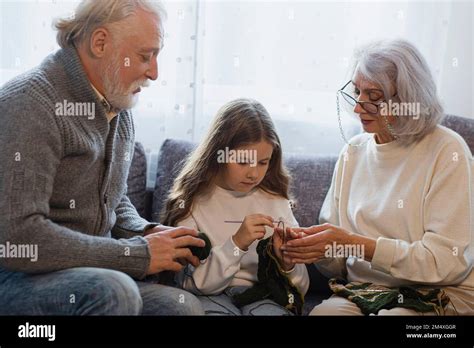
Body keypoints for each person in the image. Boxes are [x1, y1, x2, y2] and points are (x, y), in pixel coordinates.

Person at [0, 0, 206, 315]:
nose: (154, 72)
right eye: (144, 56)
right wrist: (137, 254)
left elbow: (111, 199)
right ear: (100, 43)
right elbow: (20, 236)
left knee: (182, 308)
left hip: (89, 273)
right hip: (16, 275)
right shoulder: (31, 104)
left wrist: (144, 232)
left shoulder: (118, 103)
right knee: (115, 292)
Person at [281, 39, 474, 315]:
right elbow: (337, 264)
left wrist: (354, 243)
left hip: (439, 293)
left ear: (410, 97)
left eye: (374, 97)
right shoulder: (353, 152)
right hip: (366, 290)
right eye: (357, 92)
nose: (359, 108)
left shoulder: (448, 151)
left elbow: (445, 263)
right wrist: (311, 246)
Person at [161, 99, 310, 315]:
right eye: (242, 162)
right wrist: (236, 244)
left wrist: (287, 264)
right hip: (209, 295)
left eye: (263, 162)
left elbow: (299, 291)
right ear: (218, 154)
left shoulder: (276, 201)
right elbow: (194, 284)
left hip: (262, 295)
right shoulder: (191, 203)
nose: (253, 174)